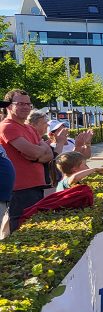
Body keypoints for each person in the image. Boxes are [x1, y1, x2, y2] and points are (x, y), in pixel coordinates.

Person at [0, 90, 53, 231]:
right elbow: (35, 151)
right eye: (20, 104)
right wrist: (39, 151)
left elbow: (49, 155)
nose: (25, 107)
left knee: (35, 228)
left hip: (35, 188)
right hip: (19, 190)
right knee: (21, 230)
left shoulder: (29, 128)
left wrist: (37, 155)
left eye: (28, 104)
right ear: (9, 106)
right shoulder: (7, 127)